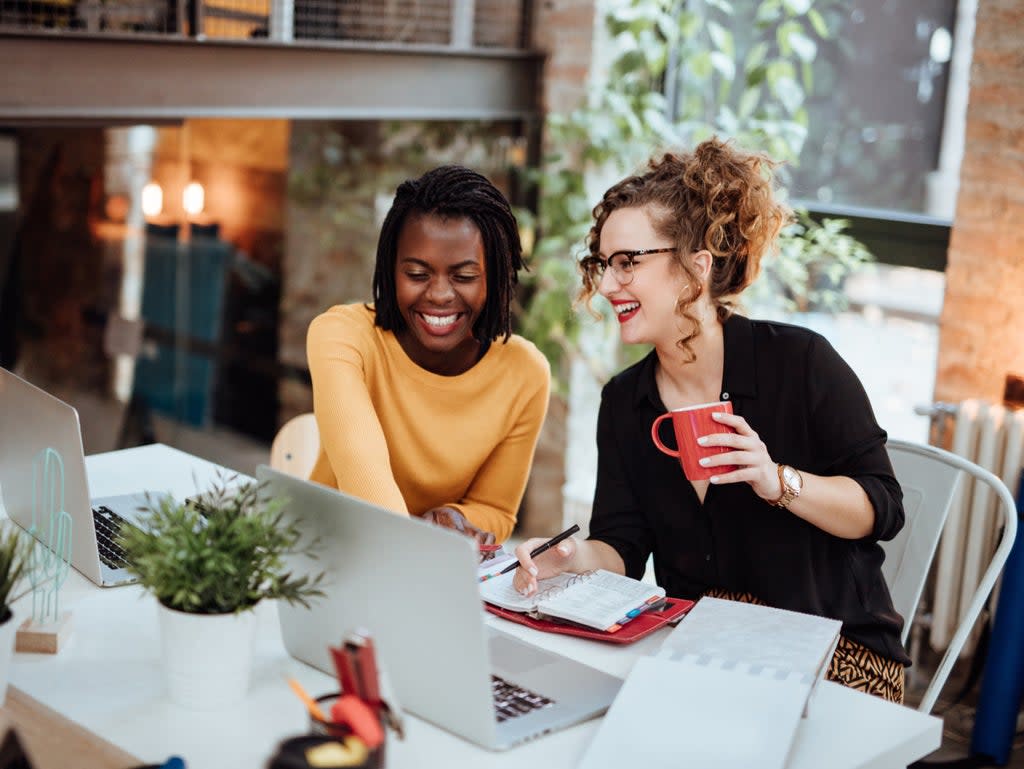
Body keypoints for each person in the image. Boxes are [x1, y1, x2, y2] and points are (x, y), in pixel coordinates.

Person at [513, 138, 910, 702]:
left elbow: (883, 510)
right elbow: (623, 550)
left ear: (695, 269)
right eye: (604, 265)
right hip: (706, 646)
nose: (606, 284)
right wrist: (571, 560)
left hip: (834, 650)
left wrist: (777, 481)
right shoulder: (626, 402)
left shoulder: (800, 363)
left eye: (628, 263)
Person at [306, 165, 550, 544]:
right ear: (391, 271)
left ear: (497, 277)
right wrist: (418, 543)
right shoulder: (342, 336)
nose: (439, 294)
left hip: (429, 565)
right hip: (330, 551)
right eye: (417, 274)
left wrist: (453, 517)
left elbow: (496, 510)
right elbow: (362, 471)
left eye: (464, 277)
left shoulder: (525, 373)